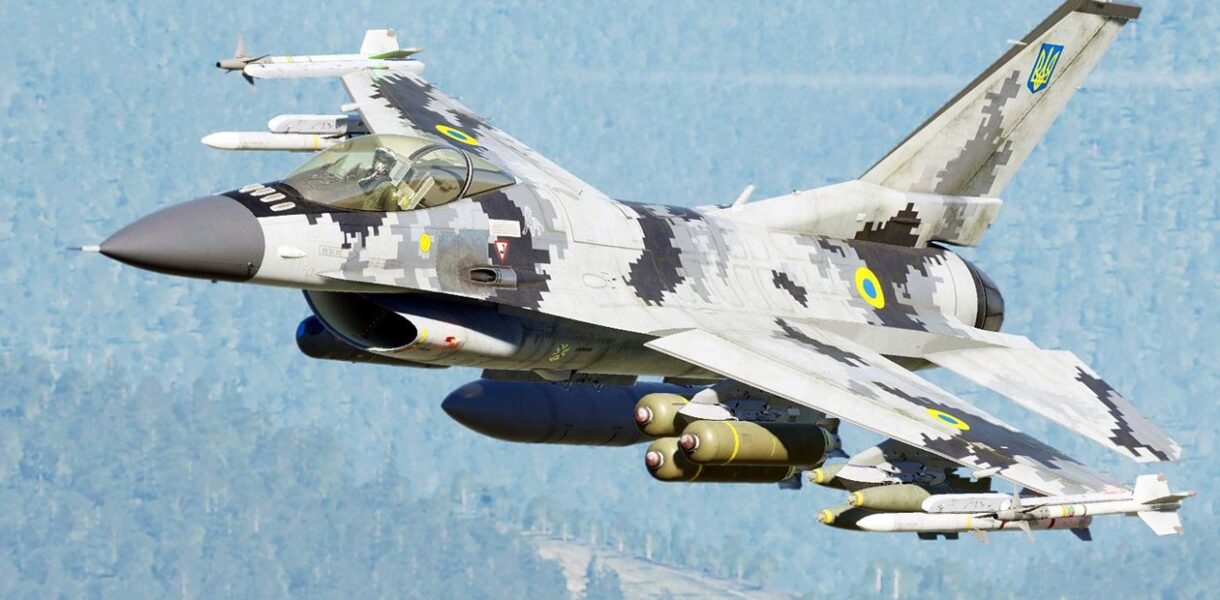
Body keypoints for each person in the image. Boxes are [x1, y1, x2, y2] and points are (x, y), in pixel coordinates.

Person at [358, 147, 404, 211]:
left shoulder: (391, 189)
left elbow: (391, 211)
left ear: (389, 166)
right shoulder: (367, 179)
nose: (379, 164)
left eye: (384, 162)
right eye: (378, 160)